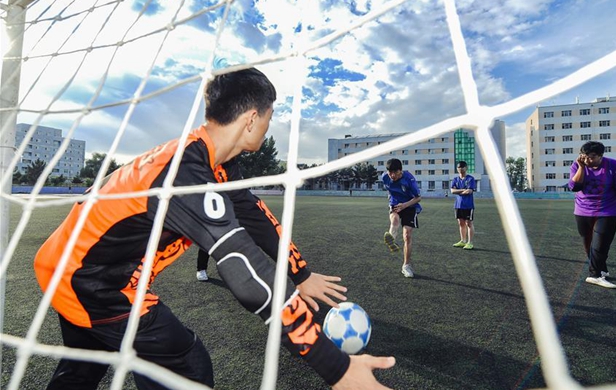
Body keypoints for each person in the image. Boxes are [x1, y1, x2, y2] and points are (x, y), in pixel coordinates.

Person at [34, 68, 395, 389]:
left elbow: (254, 215)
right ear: (252, 119)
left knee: (84, 367)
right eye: (270, 117)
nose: (270, 125)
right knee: (185, 363)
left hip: (66, 266)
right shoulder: (186, 172)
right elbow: (244, 268)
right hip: (94, 282)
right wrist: (337, 368)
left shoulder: (218, 162)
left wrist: (301, 273)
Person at [569, 141, 616, 289]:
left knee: (600, 244)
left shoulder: (615, 167)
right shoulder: (578, 165)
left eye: (591, 157)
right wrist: (581, 167)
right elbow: (574, 186)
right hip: (582, 211)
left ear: (600, 156)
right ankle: (601, 268)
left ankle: (594, 275)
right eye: (584, 156)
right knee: (589, 246)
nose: (587, 160)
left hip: (607, 211)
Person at [381, 158, 422, 278]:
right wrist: (392, 201)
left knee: (407, 235)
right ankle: (391, 239)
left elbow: (418, 197)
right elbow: (390, 189)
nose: (392, 176)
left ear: (401, 171)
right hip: (395, 203)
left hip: (410, 205)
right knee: (394, 220)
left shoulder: (409, 179)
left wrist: (404, 205)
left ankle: (406, 265)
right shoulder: (385, 177)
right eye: (390, 173)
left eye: (395, 173)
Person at [450, 161, 475, 250]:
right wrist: (463, 190)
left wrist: (458, 190)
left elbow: (469, 191)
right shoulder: (455, 179)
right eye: (459, 167)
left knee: (469, 223)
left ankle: (470, 242)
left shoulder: (470, 179)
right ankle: (463, 241)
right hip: (458, 205)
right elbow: (452, 191)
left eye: (462, 167)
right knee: (461, 223)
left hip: (468, 205)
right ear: (457, 169)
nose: (461, 169)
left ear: (466, 168)